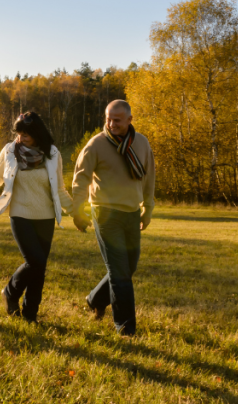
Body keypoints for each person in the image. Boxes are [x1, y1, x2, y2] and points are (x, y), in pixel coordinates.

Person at [0, 111, 73, 323]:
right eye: (18, 133)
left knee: (39, 268)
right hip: (19, 213)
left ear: (37, 133)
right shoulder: (10, 151)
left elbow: (59, 189)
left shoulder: (52, 154)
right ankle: (10, 292)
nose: (20, 137)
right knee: (35, 261)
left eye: (26, 134)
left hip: (46, 217)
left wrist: (77, 211)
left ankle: (30, 315)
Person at [72, 99, 155, 336]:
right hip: (105, 213)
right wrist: (78, 211)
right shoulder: (96, 144)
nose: (111, 124)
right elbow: (80, 179)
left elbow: (149, 178)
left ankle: (95, 299)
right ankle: (125, 327)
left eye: (117, 120)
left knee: (128, 267)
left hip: (131, 213)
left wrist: (147, 208)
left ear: (129, 120)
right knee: (119, 273)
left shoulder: (141, 143)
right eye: (108, 119)